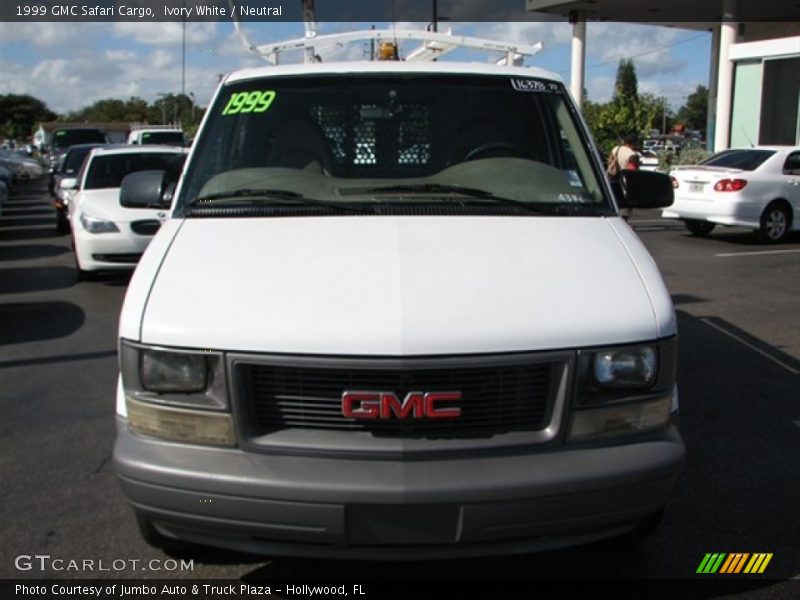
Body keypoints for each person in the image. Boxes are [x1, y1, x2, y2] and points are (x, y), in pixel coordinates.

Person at [606, 133, 641, 221]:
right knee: (625, 211)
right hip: (625, 184)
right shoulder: (632, 155)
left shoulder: (616, 149)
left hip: (613, 181)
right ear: (634, 143)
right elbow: (632, 172)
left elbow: (609, 162)